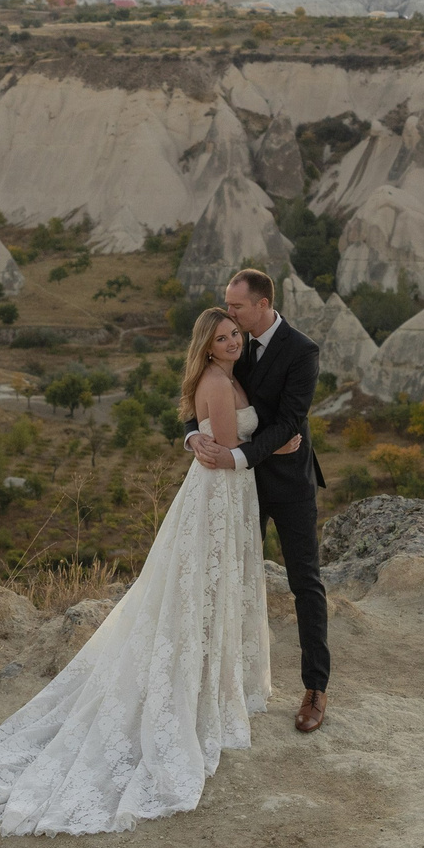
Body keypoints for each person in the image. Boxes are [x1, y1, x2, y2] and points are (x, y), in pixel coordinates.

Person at [0, 306, 290, 835]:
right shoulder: (221, 385)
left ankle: (209, 678)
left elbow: (201, 427)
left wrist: (196, 436)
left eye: (235, 334)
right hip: (220, 495)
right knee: (202, 590)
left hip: (219, 493)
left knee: (199, 591)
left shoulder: (221, 376)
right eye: (224, 337)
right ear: (207, 346)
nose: (233, 342)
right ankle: (194, 692)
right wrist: (278, 442)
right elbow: (230, 450)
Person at [184, 268, 329, 732]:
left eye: (236, 307)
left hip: (286, 483)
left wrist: (235, 457)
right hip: (238, 489)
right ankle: (220, 679)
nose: (229, 314)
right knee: (229, 578)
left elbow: (289, 421)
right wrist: (193, 440)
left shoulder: (302, 351)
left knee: (304, 582)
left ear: (263, 304)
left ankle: (315, 689)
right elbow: (198, 396)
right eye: (227, 308)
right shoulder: (232, 342)